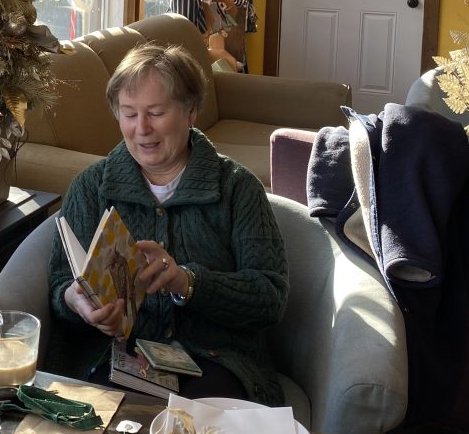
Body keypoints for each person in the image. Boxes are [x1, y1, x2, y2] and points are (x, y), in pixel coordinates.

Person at [46, 43, 289, 405]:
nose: (141, 129)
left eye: (156, 113)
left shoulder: (237, 188)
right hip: (114, 360)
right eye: (129, 114)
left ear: (191, 111)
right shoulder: (90, 187)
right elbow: (60, 285)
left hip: (214, 362)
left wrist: (189, 283)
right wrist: (79, 304)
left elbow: (270, 298)